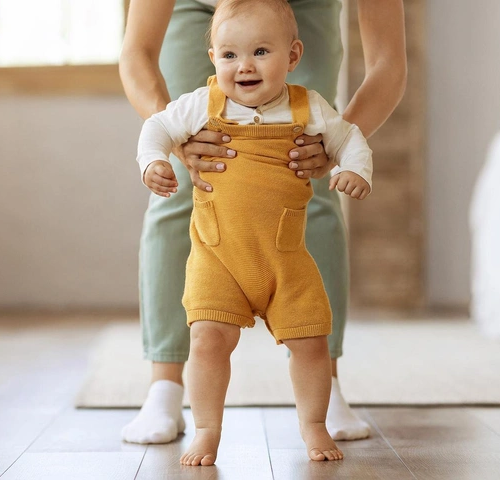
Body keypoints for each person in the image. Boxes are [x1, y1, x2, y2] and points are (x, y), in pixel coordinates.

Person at [120, 0, 406, 446]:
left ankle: (323, 385)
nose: (246, 67)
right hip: (199, 9)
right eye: (230, 57)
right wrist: (175, 149)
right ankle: (165, 385)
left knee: (307, 172)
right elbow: (137, 53)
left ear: (294, 55)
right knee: (182, 187)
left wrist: (336, 150)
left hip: (302, 10)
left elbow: (388, 61)